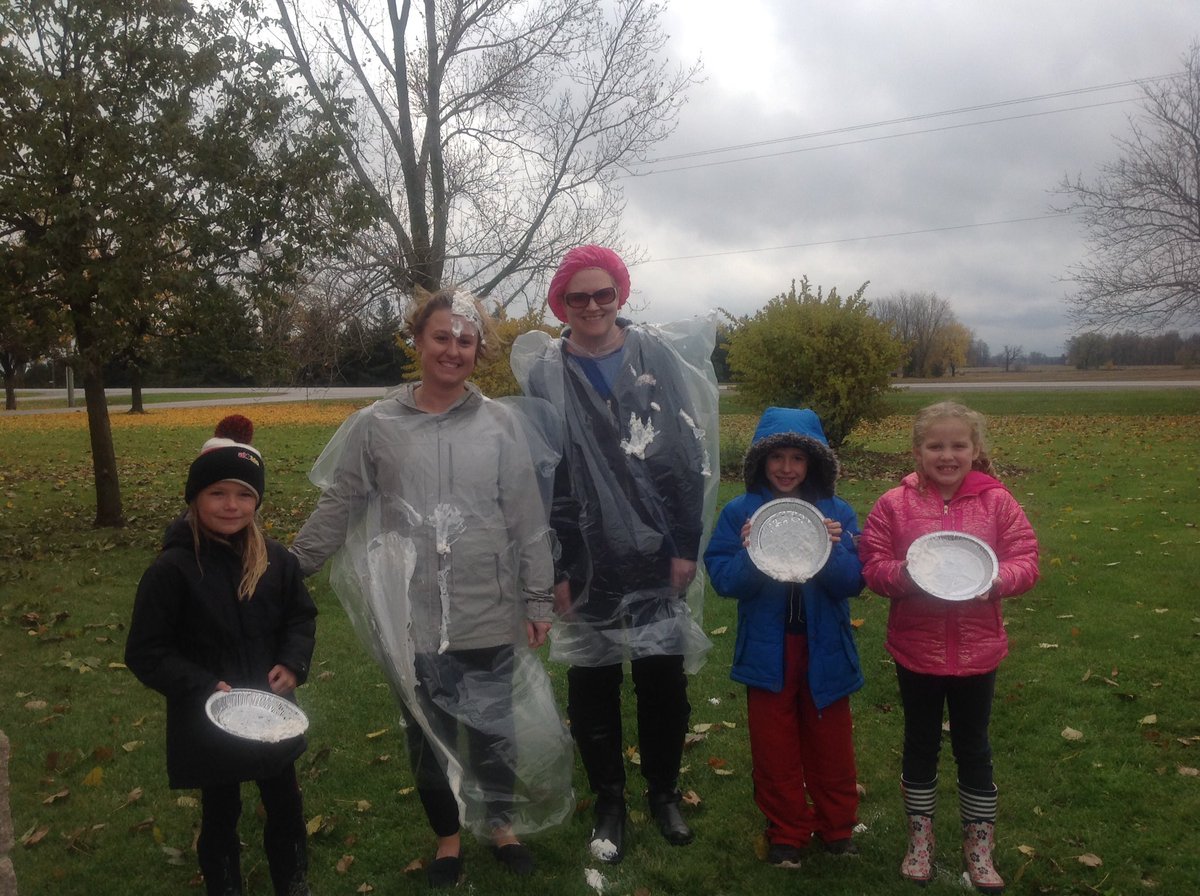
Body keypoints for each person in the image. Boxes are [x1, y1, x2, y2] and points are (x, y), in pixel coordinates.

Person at [290, 287, 574, 888]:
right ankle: (448, 838)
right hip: (411, 616)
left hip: (489, 605)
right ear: (418, 341)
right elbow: (340, 505)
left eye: (465, 341)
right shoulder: (376, 426)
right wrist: (290, 567)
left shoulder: (501, 425)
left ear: (478, 351)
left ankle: (500, 825)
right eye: (441, 337)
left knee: (496, 728)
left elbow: (526, 520)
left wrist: (539, 597)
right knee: (426, 731)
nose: (453, 350)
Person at [509, 245, 719, 864]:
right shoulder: (545, 371)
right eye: (579, 297)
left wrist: (684, 544)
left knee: (662, 679)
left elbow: (684, 451)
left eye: (605, 293)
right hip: (585, 551)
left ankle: (663, 793)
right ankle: (609, 799)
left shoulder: (656, 355)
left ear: (620, 294)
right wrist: (560, 568)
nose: (594, 306)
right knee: (593, 681)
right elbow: (545, 474)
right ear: (562, 304)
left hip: (657, 549)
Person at [125, 415, 317, 896]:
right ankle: (223, 884)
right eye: (218, 493)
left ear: (257, 501)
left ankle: (291, 882)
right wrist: (202, 686)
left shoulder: (276, 561)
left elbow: (300, 616)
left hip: (271, 713)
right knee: (221, 811)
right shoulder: (172, 570)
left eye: (244, 495)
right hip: (207, 719)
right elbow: (147, 650)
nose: (232, 505)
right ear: (195, 497)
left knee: (286, 803)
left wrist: (294, 662)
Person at [859, 401, 1039, 892]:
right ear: (917, 451)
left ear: (975, 450)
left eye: (958, 445)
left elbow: (1026, 557)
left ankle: (979, 847)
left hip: (978, 650)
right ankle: (921, 840)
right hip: (916, 648)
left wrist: (998, 580)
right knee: (919, 742)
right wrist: (906, 575)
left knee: (973, 747)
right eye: (935, 445)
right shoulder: (894, 504)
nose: (947, 455)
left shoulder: (997, 502)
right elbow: (872, 564)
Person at [703, 407, 865, 868]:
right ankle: (787, 833)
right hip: (767, 652)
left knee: (830, 744)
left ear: (814, 462)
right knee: (774, 748)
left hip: (826, 650)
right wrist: (752, 552)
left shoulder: (836, 513)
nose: (787, 468)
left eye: (798, 457)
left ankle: (837, 829)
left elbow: (853, 580)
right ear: (761, 463)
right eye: (777, 457)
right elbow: (724, 580)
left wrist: (834, 550)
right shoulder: (741, 513)